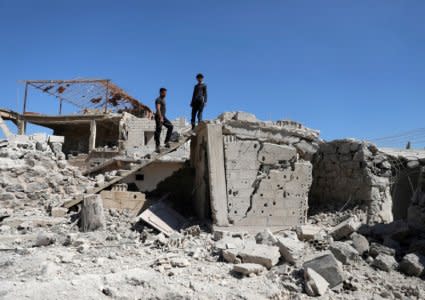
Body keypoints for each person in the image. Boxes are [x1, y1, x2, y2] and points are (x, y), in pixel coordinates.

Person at [154, 87, 173, 153]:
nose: (165, 94)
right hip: (159, 116)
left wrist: (163, 117)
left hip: (163, 116)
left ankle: (166, 141)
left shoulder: (163, 99)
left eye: (166, 93)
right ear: (161, 92)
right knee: (158, 130)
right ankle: (157, 146)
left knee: (170, 126)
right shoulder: (158, 99)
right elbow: (158, 109)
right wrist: (161, 117)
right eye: (164, 92)